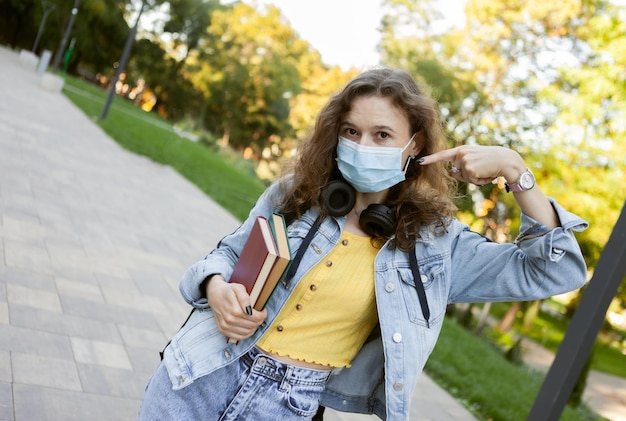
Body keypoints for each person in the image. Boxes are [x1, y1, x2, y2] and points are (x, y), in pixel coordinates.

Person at [137, 67, 588, 421]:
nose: (361, 144)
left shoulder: (435, 245)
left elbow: (554, 270)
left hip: (289, 405)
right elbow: (227, 255)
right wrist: (217, 290)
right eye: (351, 131)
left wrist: (516, 170)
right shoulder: (296, 193)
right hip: (199, 372)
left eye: (382, 135)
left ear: (414, 145)